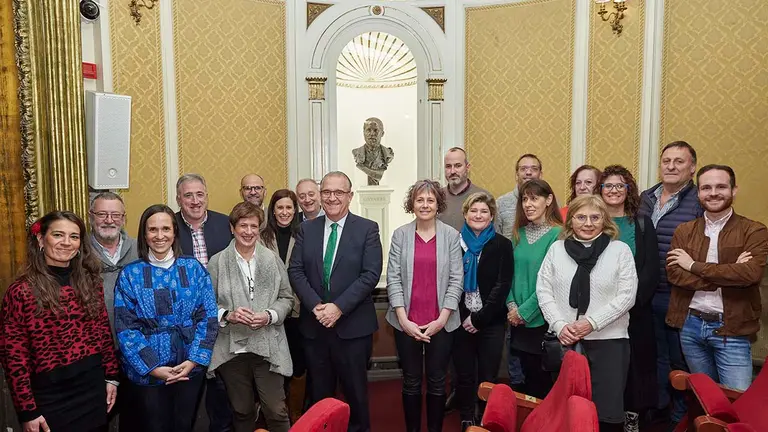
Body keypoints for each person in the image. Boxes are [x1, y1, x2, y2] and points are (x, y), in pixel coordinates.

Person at [0, 211, 120, 432]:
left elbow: (103, 333)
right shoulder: (21, 291)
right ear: (40, 239)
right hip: (49, 398)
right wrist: (28, 411)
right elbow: (14, 358)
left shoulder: (90, 282)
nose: (66, 242)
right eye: (58, 235)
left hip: (93, 390)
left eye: (74, 237)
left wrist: (112, 377)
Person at [288, 171, 383, 432]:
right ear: (320, 195)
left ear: (350, 196)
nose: (332, 198)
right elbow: (295, 270)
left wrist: (338, 307)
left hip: (353, 329)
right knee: (320, 397)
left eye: (338, 192)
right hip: (315, 327)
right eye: (327, 192)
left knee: (356, 396)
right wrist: (316, 306)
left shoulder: (367, 229)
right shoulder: (306, 229)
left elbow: (370, 274)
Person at [537, 195, 638, 432]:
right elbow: (543, 290)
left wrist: (591, 323)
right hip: (565, 341)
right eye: (581, 217)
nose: (588, 223)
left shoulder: (619, 250)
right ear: (571, 220)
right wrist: (559, 325)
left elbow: (627, 296)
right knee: (566, 409)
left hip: (609, 342)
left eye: (595, 217)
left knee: (606, 413)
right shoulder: (556, 250)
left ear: (605, 220)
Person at [114, 204, 218, 432]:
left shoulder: (193, 268)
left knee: (184, 425)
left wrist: (194, 360)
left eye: (165, 229)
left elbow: (209, 318)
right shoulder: (130, 274)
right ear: (144, 234)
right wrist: (152, 367)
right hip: (148, 373)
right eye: (153, 229)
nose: (159, 236)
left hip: (189, 367)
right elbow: (126, 328)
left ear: (174, 232)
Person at [666, 165, 768, 391]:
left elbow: (750, 274)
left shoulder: (754, 231)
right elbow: (674, 274)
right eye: (706, 188)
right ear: (698, 193)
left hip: (732, 329)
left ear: (734, 190)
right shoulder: (684, 231)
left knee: (738, 399)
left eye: (721, 187)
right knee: (703, 397)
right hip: (690, 325)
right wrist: (729, 272)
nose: (713, 193)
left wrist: (692, 266)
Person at [207, 202, 294, 432]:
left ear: (259, 228)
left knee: (276, 410)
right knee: (242, 410)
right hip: (232, 349)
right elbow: (205, 305)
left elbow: (287, 298)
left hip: (268, 346)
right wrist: (228, 315)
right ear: (232, 228)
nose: (248, 231)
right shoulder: (217, 262)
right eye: (242, 226)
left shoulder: (272, 259)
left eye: (253, 226)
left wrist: (269, 315)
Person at [385, 180, 463, 432]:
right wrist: (403, 319)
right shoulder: (400, 235)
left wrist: (442, 319)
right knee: (411, 381)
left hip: (441, 322)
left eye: (430, 200)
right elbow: (393, 278)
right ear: (412, 204)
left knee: (438, 381)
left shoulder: (451, 236)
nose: (425, 205)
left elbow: (456, 279)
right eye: (420, 200)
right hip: (406, 321)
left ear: (438, 204)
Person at [638, 141, 703, 429]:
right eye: (666, 161)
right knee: (652, 356)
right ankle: (658, 411)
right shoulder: (646, 197)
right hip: (644, 293)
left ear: (692, 167)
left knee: (681, 360)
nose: (672, 166)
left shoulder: (699, 200)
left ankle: (680, 418)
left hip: (679, 294)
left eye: (679, 161)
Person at [600, 165, 660, 432]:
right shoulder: (592, 222)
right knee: (606, 369)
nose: (613, 191)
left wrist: (627, 303)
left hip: (635, 312)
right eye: (608, 186)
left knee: (635, 367)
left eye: (619, 185)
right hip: (599, 312)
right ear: (600, 190)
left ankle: (632, 417)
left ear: (628, 190)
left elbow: (650, 270)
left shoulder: (642, 223)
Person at [174, 173, 234, 431]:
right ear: (178, 199)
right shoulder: (168, 226)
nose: (195, 201)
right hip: (183, 324)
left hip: (222, 320)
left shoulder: (225, 224)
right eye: (188, 195)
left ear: (207, 196)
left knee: (221, 390)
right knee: (185, 396)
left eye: (200, 194)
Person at [453, 192, 513, 430]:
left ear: (491, 216)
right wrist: (464, 317)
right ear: (465, 214)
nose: (478, 215)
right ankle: (467, 414)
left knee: (488, 374)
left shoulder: (502, 245)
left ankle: (485, 416)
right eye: (473, 211)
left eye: (484, 211)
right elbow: (448, 282)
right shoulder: (454, 242)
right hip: (459, 320)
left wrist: (479, 319)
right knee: (464, 373)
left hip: (491, 321)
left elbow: (502, 285)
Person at [506, 179, 563, 399]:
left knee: (542, 383)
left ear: (548, 200)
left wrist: (524, 312)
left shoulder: (559, 234)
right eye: (524, 199)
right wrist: (512, 306)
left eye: (534, 198)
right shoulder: (518, 233)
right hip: (517, 320)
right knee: (526, 378)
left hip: (542, 320)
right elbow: (508, 274)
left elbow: (551, 282)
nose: (528, 204)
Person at [496, 153, 543, 390]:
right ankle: (517, 388)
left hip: (539, 298)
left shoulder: (552, 221)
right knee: (513, 346)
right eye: (523, 168)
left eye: (533, 168)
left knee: (538, 365)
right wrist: (512, 304)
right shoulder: (502, 204)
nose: (528, 172)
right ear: (516, 173)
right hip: (511, 287)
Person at [261, 189, 307, 422]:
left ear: (295, 210)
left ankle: (295, 413)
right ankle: (274, 415)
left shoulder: (304, 233)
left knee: (298, 363)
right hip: (270, 310)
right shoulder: (261, 236)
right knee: (273, 364)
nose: (285, 212)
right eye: (280, 207)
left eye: (289, 207)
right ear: (273, 210)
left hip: (299, 310)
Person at [88, 191, 139, 336]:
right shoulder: (79, 251)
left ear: (123, 219)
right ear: (91, 217)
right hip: (95, 337)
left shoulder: (140, 249)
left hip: (136, 336)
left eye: (115, 215)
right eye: (102, 214)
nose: (109, 220)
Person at [439, 147, 492, 232]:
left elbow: (494, 235)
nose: (452, 171)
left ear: (467, 167)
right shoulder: (436, 197)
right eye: (448, 166)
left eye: (458, 166)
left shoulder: (484, 197)